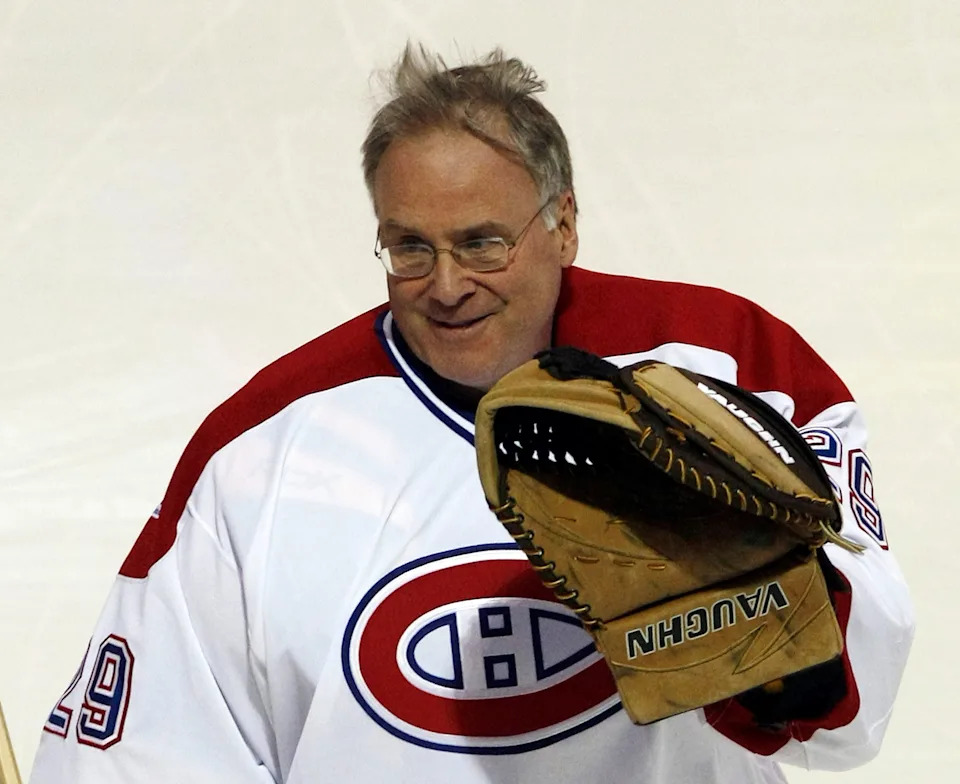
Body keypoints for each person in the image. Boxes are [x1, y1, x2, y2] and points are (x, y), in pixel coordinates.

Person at [29, 45, 914, 783]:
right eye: (410, 246)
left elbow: (854, 716)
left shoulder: (728, 362)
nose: (446, 286)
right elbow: (144, 752)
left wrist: (775, 639)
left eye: (481, 242)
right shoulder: (259, 449)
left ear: (563, 223)